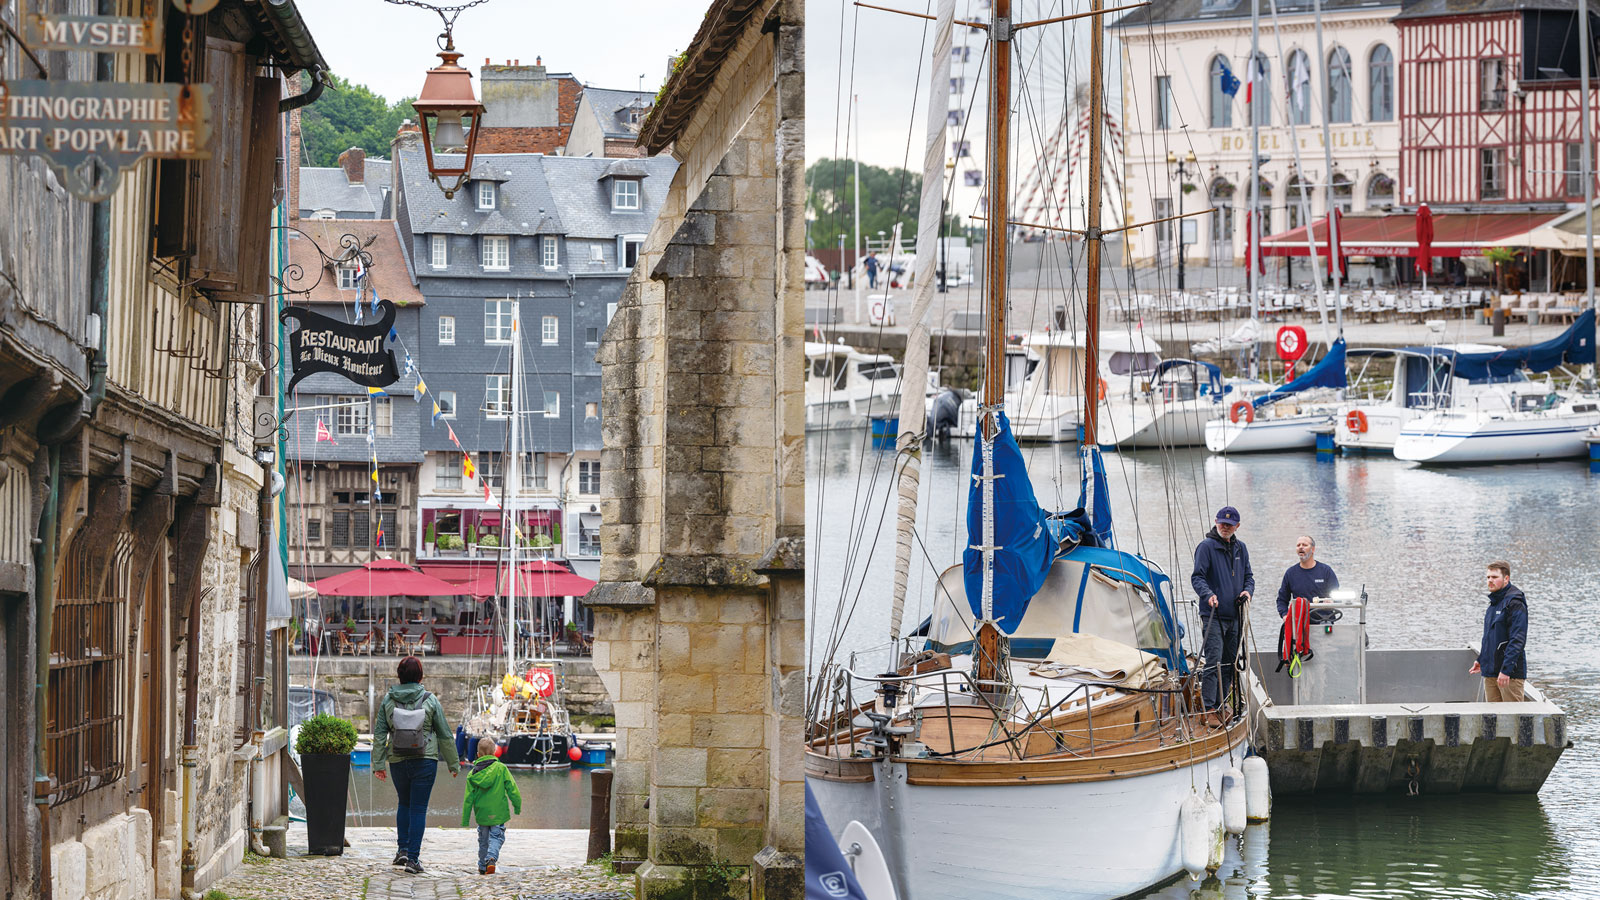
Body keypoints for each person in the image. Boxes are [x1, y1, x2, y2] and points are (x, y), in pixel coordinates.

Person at [373, 656, 460, 874]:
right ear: (420, 676)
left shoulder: (388, 700)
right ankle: (413, 860)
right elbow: (445, 734)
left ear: (399, 676)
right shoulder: (430, 700)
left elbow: (380, 734)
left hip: (398, 760)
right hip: (425, 760)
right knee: (418, 809)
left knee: (404, 804)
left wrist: (378, 764)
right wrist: (453, 763)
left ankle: (402, 850)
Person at [1191, 506, 1254, 718]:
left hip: (1235, 616)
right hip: (1213, 615)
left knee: (1229, 662)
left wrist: (1248, 591)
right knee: (1214, 661)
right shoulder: (1206, 547)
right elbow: (1197, 577)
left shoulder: (1241, 548)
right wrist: (1208, 594)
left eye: (1229, 525)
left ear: (1237, 526)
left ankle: (1221, 703)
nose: (1225, 527)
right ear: (1216, 522)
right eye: (1221, 523)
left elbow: (1249, 577)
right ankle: (1209, 707)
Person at [461, 737, 522, 875]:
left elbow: (468, 798)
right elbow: (513, 789)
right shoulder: (501, 769)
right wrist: (517, 806)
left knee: (483, 840)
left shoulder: (472, 774)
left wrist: (465, 819)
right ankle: (491, 859)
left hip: (482, 814)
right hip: (498, 813)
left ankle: (482, 866)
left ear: (478, 755)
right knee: (497, 837)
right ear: (495, 752)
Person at [1470, 560, 1528, 702]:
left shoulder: (1515, 603)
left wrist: (1506, 670)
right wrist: (1481, 659)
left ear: (1506, 578)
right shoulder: (1494, 603)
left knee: (1512, 720)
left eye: (1494, 577)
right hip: (1490, 672)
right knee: (1492, 719)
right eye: (1488, 577)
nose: (1490, 580)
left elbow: (1517, 640)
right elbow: (1489, 637)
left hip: (1509, 675)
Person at [1276, 535, 1339, 623]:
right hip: (1299, 624)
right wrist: (1285, 615)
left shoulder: (1326, 571)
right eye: (1298, 545)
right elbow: (1282, 600)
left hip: (1325, 621)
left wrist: (1332, 601)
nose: (1301, 547)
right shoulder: (1291, 573)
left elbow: (1337, 596)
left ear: (1313, 549)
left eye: (1305, 545)